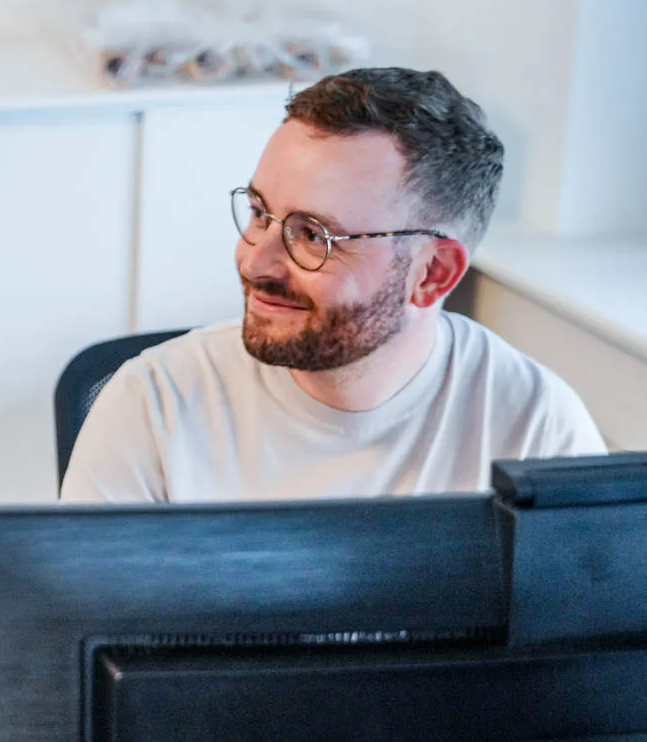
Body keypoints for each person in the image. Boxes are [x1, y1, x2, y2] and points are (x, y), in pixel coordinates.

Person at [61, 67, 606, 504]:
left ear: (432, 273)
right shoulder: (153, 405)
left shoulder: (535, 426)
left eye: (313, 235)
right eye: (259, 213)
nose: (256, 261)